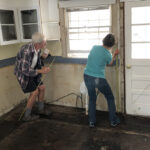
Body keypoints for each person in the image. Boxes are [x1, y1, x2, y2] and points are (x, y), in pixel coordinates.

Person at [84, 33, 120, 127]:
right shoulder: (108, 54)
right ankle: (113, 121)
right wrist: (115, 54)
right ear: (112, 45)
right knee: (110, 97)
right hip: (98, 79)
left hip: (87, 75)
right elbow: (110, 63)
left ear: (103, 40)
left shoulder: (94, 47)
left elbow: (92, 57)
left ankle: (92, 122)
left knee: (92, 98)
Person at [14, 32, 51, 121]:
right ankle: (26, 116)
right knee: (34, 92)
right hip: (24, 75)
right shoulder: (26, 50)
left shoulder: (37, 49)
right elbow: (25, 70)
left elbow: (36, 63)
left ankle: (40, 110)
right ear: (38, 43)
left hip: (32, 72)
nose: (46, 43)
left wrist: (43, 57)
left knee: (42, 87)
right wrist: (40, 71)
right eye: (44, 42)